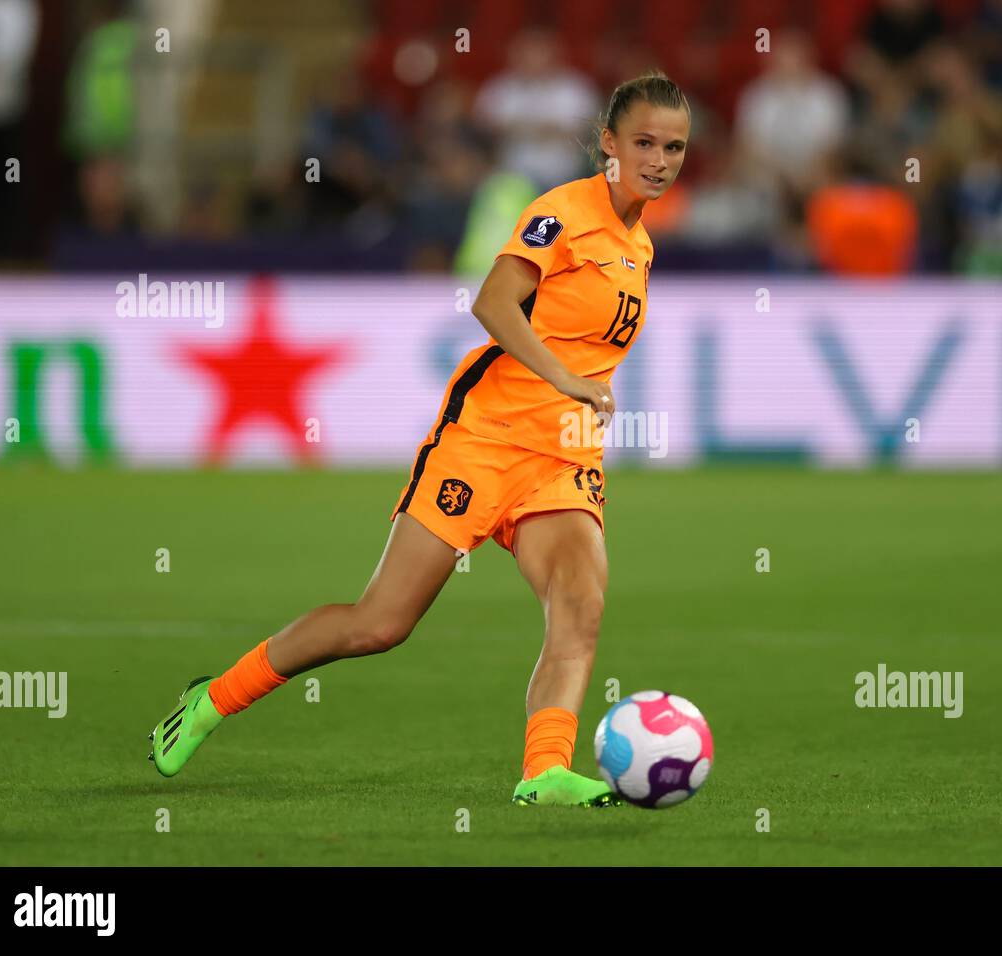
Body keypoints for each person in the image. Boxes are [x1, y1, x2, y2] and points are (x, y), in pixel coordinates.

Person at [148, 71, 691, 808]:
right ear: (609, 142)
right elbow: (493, 302)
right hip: (482, 439)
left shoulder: (640, 245)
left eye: (675, 148)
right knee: (379, 624)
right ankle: (213, 698)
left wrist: (572, 396)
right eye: (645, 143)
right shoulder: (563, 212)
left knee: (580, 604)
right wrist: (563, 376)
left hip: (562, 456)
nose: (659, 160)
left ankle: (544, 773)